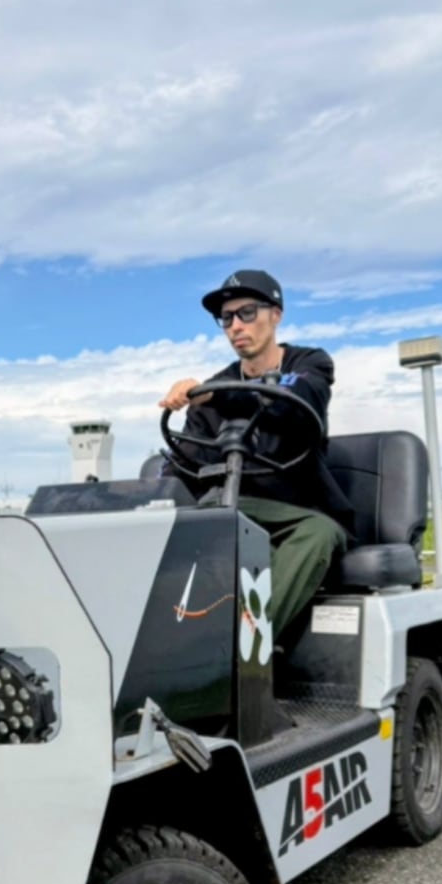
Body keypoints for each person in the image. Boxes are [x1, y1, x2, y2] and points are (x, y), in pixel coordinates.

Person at [159, 269, 355, 644]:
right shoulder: (212, 390)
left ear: (275, 314)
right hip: (232, 508)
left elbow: (296, 405)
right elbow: (186, 463)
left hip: (298, 511)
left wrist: (216, 395)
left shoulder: (309, 366)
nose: (235, 325)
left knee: (320, 533)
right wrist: (146, 499)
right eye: (227, 318)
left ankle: (244, 653)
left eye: (246, 313)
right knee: (183, 524)